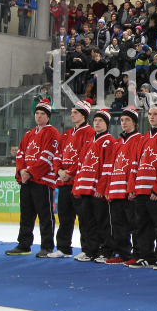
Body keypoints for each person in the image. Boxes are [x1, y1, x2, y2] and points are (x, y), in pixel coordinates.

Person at [6, 99, 61, 257]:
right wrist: (22, 170)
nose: (39, 116)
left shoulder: (52, 133)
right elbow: (20, 154)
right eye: (37, 113)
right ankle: (24, 244)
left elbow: (48, 156)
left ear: (48, 116)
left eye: (42, 114)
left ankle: (47, 246)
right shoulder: (29, 134)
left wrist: (30, 172)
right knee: (26, 214)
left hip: (43, 181)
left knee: (45, 215)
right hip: (28, 180)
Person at [126, 104, 157, 270]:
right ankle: (145, 256)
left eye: (155, 114)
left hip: (156, 193)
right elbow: (135, 164)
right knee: (142, 225)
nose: (151, 117)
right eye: (149, 114)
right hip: (141, 190)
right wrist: (132, 187)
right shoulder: (143, 138)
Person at [70, 108, 116, 263]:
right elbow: (81, 165)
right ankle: (91, 250)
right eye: (95, 120)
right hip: (85, 188)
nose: (97, 123)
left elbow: (108, 167)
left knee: (103, 221)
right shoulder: (89, 140)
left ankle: (107, 251)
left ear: (107, 124)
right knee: (87, 221)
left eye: (100, 120)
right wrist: (77, 186)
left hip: (97, 190)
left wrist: (102, 188)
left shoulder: (109, 141)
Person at [52, 100, 94, 259]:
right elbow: (57, 155)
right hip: (64, 182)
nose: (72, 114)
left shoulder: (89, 132)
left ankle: (87, 248)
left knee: (84, 217)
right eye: (72, 112)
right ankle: (63, 248)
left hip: (79, 183)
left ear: (83, 114)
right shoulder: (66, 134)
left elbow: (86, 156)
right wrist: (60, 171)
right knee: (64, 216)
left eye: (75, 112)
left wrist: (70, 172)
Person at [103, 106, 142, 265]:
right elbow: (110, 167)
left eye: (127, 120)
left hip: (129, 190)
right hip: (115, 190)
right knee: (118, 225)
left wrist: (132, 188)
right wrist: (107, 189)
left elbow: (138, 165)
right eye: (121, 120)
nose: (124, 123)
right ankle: (123, 253)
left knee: (135, 225)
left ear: (134, 122)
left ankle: (138, 253)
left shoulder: (139, 139)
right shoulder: (117, 142)